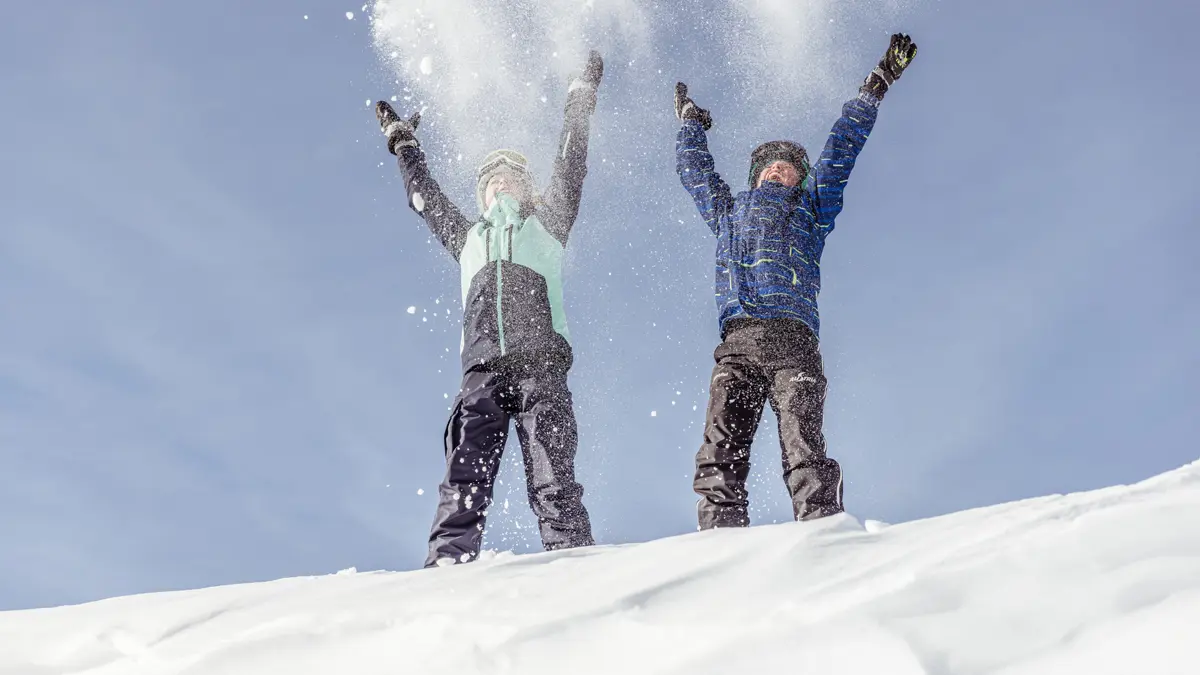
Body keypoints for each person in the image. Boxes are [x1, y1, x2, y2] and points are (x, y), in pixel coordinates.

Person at [673, 34, 918, 529]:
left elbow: (840, 153)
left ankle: (821, 530)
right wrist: (690, 126)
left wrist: (875, 87)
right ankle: (719, 542)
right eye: (770, 166)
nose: (779, 171)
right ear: (756, 175)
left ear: (798, 179)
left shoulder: (812, 209)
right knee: (721, 446)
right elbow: (695, 173)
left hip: (793, 339)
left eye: (788, 168)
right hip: (738, 342)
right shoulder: (729, 212)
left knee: (803, 442)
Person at [374, 50, 605, 567]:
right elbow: (425, 196)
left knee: (553, 472)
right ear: (480, 196)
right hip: (481, 372)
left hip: (540, 365)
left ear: (527, 187)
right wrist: (404, 145)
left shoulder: (547, 225)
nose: (499, 183)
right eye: (490, 181)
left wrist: (579, 97)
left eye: (510, 177)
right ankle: (447, 566)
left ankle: (575, 564)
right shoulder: (468, 239)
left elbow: (572, 161)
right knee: (464, 475)